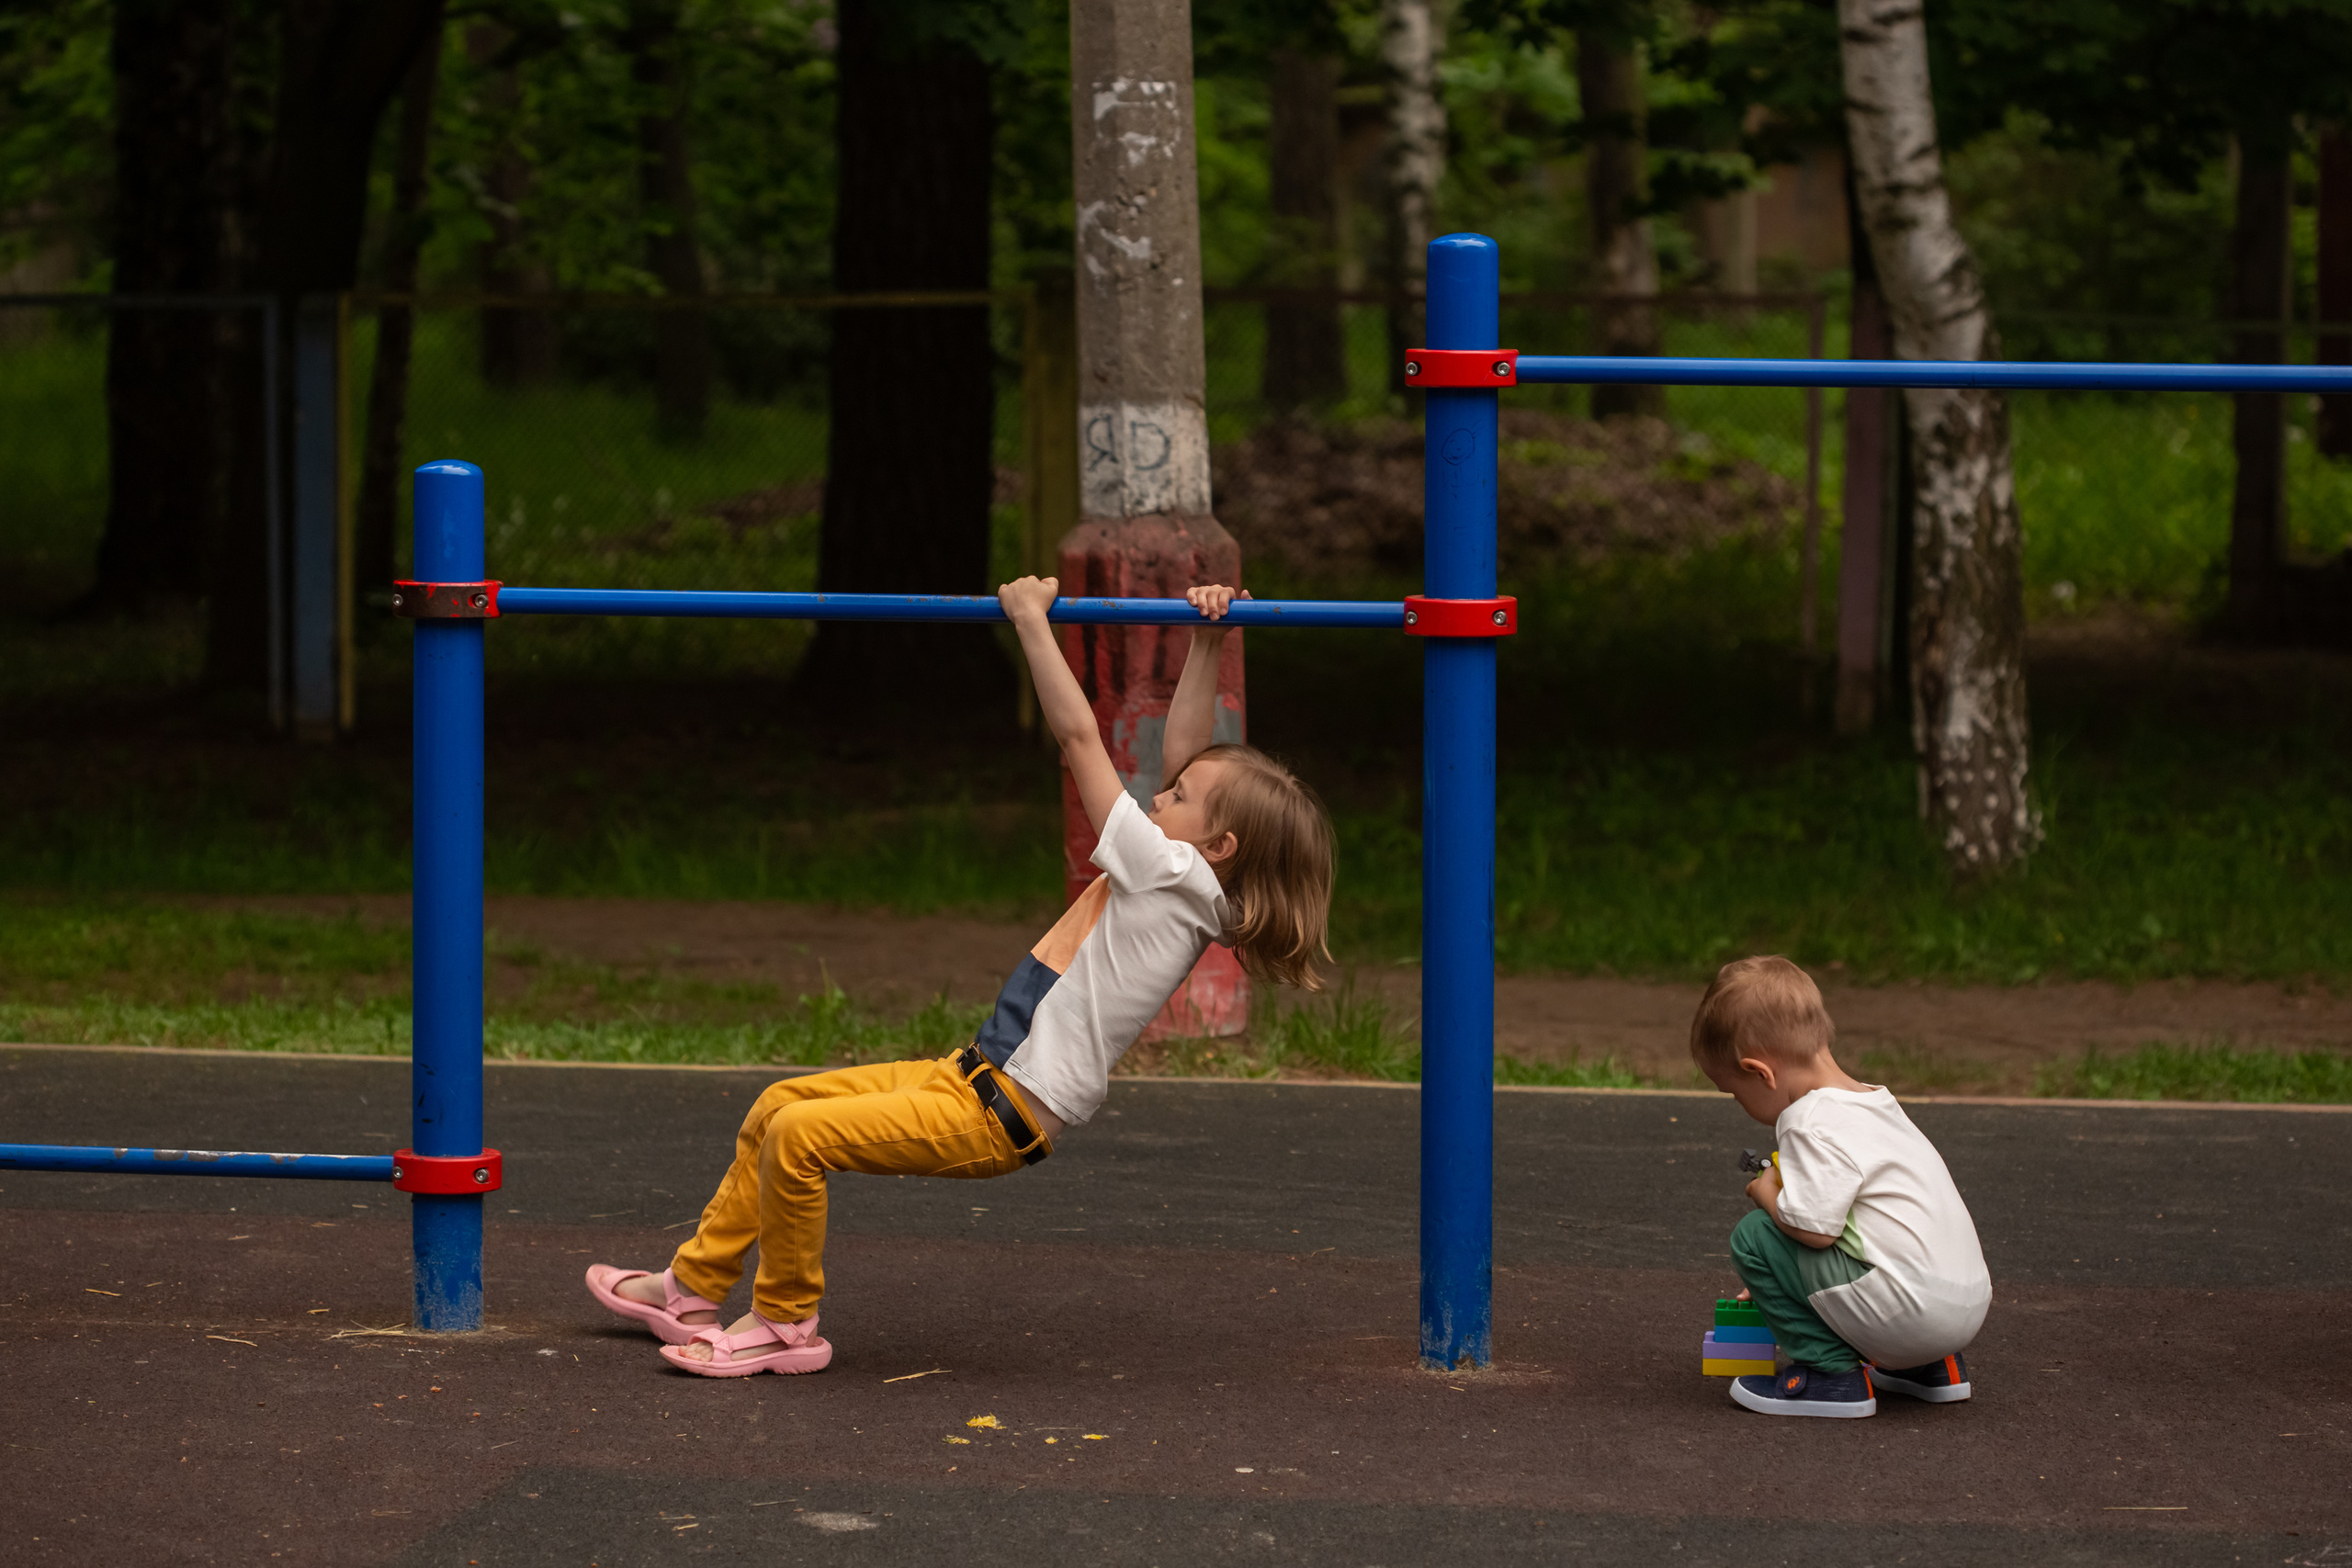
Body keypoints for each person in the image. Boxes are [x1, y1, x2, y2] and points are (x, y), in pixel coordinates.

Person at [583, 578, 1337, 1377]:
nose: (1161, 786)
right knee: (779, 1105)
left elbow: (1081, 739)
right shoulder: (1193, 879)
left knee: (800, 1140)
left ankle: (784, 1320)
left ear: (1215, 844)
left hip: (998, 1112)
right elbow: (1189, 756)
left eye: (1179, 796)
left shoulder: (1166, 871)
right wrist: (1209, 639)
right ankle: (690, 1287)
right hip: (969, 1076)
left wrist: (1029, 623)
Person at [1692, 955, 1991, 1417]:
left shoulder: (1809, 1122)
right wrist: (1787, 1280)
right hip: (1961, 1309)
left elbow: (1814, 1233)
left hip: (1909, 1314)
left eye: (1733, 1091)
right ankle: (1927, 1369)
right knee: (1801, 1244)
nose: (1738, 1103)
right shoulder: (1877, 1105)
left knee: (1754, 1237)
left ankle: (1831, 1378)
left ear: (1760, 1072)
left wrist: (1765, 1191)